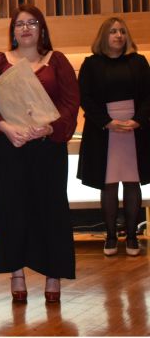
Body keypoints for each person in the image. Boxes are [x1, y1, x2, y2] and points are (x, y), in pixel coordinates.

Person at [0, 3, 79, 304]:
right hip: (9, 148)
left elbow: (70, 104)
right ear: (12, 31)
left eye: (32, 23)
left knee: (51, 210)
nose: (25, 28)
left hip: (47, 150)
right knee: (11, 209)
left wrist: (50, 128)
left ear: (42, 29)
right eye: (19, 24)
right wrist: (5, 127)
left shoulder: (57, 61)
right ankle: (16, 272)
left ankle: (53, 274)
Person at [77, 17, 150, 257]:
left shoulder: (139, 62)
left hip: (134, 130)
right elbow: (84, 97)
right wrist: (107, 122)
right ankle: (110, 236)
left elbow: (149, 96)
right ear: (104, 36)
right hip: (104, 131)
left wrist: (138, 120)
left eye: (122, 31)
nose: (118, 35)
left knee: (132, 182)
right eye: (113, 31)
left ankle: (132, 237)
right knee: (108, 183)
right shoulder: (91, 64)